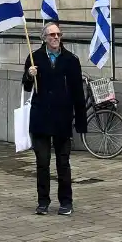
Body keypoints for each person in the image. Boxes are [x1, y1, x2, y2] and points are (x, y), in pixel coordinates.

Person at [22, 21, 87, 216]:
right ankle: (43, 202)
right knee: (42, 162)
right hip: (40, 118)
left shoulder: (70, 59)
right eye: (52, 35)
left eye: (58, 34)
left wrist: (81, 120)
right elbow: (26, 87)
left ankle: (66, 202)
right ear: (44, 38)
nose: (56, 38)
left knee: (63, 163)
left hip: (62, 118)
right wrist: (28, 74)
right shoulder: (34, 57)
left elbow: (77, 92)